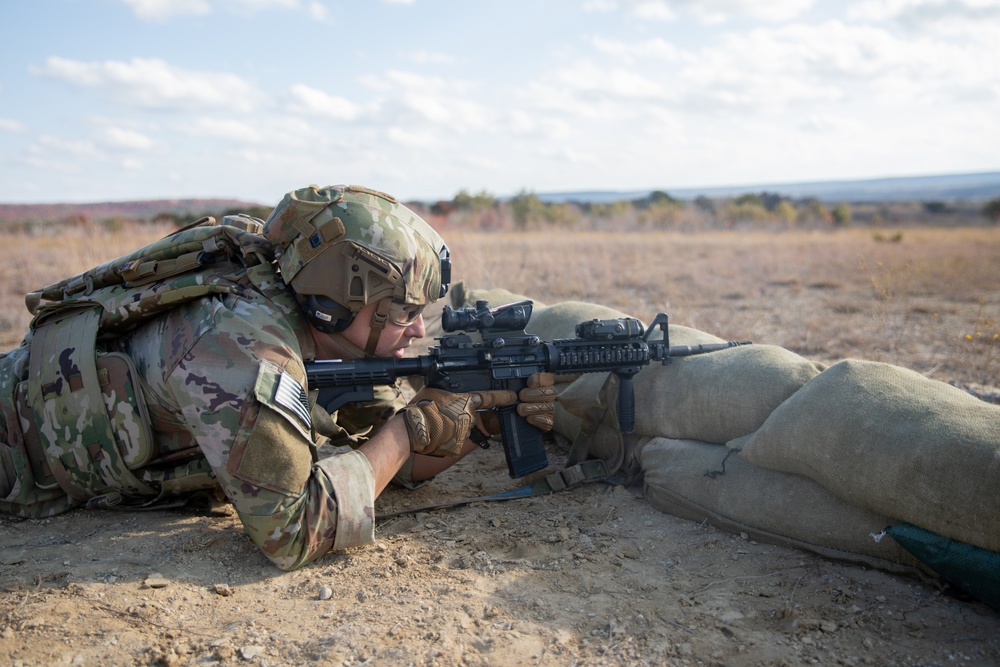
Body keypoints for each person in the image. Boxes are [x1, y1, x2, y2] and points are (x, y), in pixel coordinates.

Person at [0, 184, 555, 570]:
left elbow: (381, 466)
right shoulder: (241, 342)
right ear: (339, 305)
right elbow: (294, 532)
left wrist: (475, 422)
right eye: (404, 312)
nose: (415, 332)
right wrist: (410, 429)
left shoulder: (303, 310)